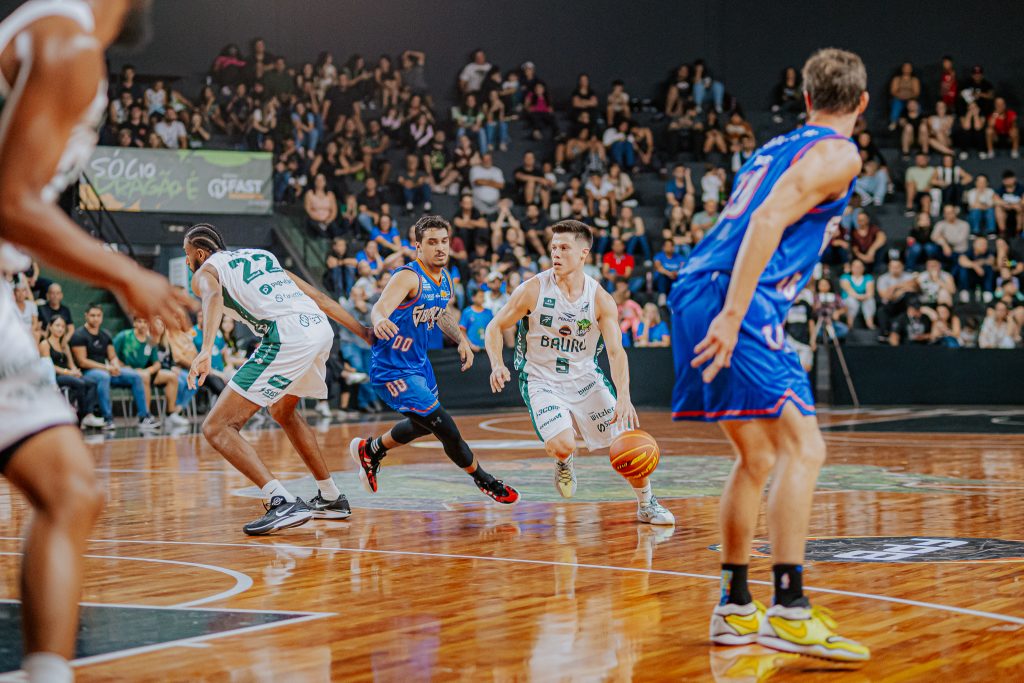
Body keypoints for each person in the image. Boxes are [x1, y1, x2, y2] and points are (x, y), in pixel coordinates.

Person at [0, 6, 194, 680]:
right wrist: (126, 274)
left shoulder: (56, 36)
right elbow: (12, 202)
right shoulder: (66, 41)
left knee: (71, 491)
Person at [668, 49, 870, 661]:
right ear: (861, 103)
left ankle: (733, 605)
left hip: (694, 289)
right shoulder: (840, 152)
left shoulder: (771, 149)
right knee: (804, 447)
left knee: (756, 456)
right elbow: (763, 222)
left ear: (807, 99)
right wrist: (734, 313)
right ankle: (788, 608)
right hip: (736, 297)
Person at [484, 220, 674, 524]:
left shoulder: (599, 299)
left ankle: (647, 503)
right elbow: (495, 326)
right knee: (563, 444)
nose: (555, 254)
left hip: (586, 378)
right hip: (541, 379)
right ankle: (564, 460)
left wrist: (624, 396)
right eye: (553, 248)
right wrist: (496, 363)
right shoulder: (533, 289)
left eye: (564, 248)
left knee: (627, 440)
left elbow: (616, 352)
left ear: (583, 253)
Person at [184, 223, 367, 535]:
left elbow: (213, 295)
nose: (188, 261)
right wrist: (365, 333)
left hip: (287, 335)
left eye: (187, 255)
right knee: (283, 411)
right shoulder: (262, 257)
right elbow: (318, 297)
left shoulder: (203, 273)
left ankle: (280, 501)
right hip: (319, 328)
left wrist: (204, 349)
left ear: (199, 254)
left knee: (216, 427)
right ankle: (332, 497)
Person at [348, 215, 520, 504]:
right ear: (418, 247)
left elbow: (440, 313)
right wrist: (378, 321)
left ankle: (371, 450)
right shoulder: (408, 276)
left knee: (422, 423)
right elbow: (380, 308)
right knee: (446, 429)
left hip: (419, 365)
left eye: (444, 241)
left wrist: (461, 339)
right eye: (432, 242)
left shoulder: (445, 280)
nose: (440, 248)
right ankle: (485, 480)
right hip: (393, 369)